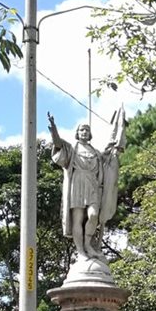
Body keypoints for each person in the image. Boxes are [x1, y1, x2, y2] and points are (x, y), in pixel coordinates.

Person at [48, 107, 125, 259]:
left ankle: (88, 244)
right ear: (77, 133)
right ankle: (81, 251)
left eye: (87, 130)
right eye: (82, 130)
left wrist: (114, 148)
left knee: (93, 215)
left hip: (92, 185)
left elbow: (106, 159)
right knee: (77, 219)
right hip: (77, 184)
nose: (84, 132)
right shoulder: (72, 149)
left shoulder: (95, 152)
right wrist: (54, 129)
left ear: (90, 134)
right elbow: (58, 143)